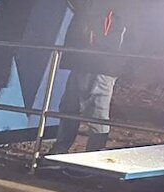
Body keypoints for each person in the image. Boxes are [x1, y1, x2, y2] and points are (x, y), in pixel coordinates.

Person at [52, 1, 129, 154]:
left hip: (101, 61)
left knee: (96, 113)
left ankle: (93, 159)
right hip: (83, 58)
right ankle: (59, 151)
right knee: (69, 107)